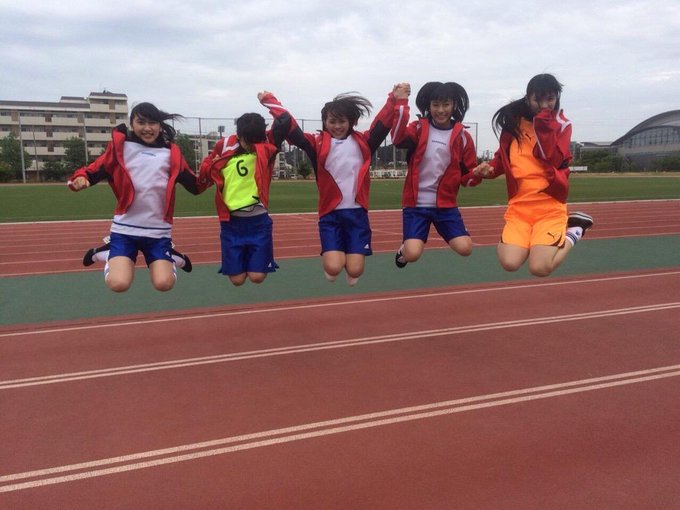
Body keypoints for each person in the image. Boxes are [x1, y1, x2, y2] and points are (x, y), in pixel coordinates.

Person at [269, 84, 410, 286]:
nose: (337, 126)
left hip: (357, 215)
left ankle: (349, 266)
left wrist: (394, 99)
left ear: (351, 121)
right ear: (325, 122)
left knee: (355, 270)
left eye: (342, 121)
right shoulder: (316, 143)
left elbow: (382, 124)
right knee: (334, 267)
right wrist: (271, 101)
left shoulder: (363, 142)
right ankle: (333, 265)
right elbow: (291, 127)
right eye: (332, 121)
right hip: (330, 215)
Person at [68, 102, 203, 292]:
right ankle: (107, 252)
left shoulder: (171, 154)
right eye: (141, 122)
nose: (147, 128)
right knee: (119, 284)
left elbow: (196, 186)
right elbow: (91, 171)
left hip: (158, 233)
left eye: (152, 123)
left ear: (159, 126)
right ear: (132, 123)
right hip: (125, 230)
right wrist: (80, 179)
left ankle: (172, 256)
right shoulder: (120, 149)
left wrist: (214, 168)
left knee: (164, 283)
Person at [473, 73, 593, 277]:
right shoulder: (513, 126)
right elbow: (502, 161)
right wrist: (487, 169)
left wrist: (543, 123)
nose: (545, 105)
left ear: (557, 98)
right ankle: (534, 240)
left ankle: (575, 230)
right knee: (510, 263)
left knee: (539, 268)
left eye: (550, 99)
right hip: (519, 208)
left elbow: (552, 158)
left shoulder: (562, 125)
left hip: (549, 206)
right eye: (538, 99)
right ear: (528, 98)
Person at [198, 93, 291, 286]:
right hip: (231, 223)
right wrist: (211, 165)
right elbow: (207, 165)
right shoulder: (224, 145)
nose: (252, 147)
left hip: (259, 221)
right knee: (237, 280)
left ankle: (258, 259)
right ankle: (247, 259)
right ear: (239, 136)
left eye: (256, 141)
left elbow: (285, 119)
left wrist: (267, 99)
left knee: (257, 277)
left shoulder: (267, 147)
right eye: (248, 142)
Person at [392, 81, 481, 269]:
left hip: (445, 207)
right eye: (436, 105)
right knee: (412, 254)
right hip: (416, 205)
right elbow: (397, 138)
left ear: (454, 105)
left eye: (446, 104)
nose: (441, 110)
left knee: (466, 248)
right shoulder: (419, 128)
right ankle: (404, 249)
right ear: (429, 106)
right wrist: (401, 102)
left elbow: (468, 179)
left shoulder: (463, 137)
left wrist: (479, 173)